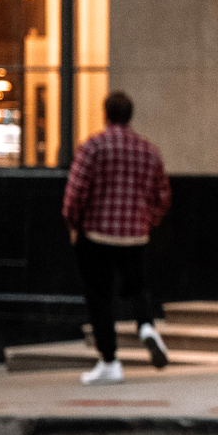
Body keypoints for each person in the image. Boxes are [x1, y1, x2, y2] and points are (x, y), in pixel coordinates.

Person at [62, 90, 171, 384]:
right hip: (135, 235)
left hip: (97, 234)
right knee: (137, 288)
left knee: (100, 298)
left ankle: (110, 361)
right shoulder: (148, 150)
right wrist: (148, 221)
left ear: (105, 114)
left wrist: (74, 224)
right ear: (130, 115)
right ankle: (146, 326)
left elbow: (75, 192)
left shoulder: (94, 147)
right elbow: (162, 195)